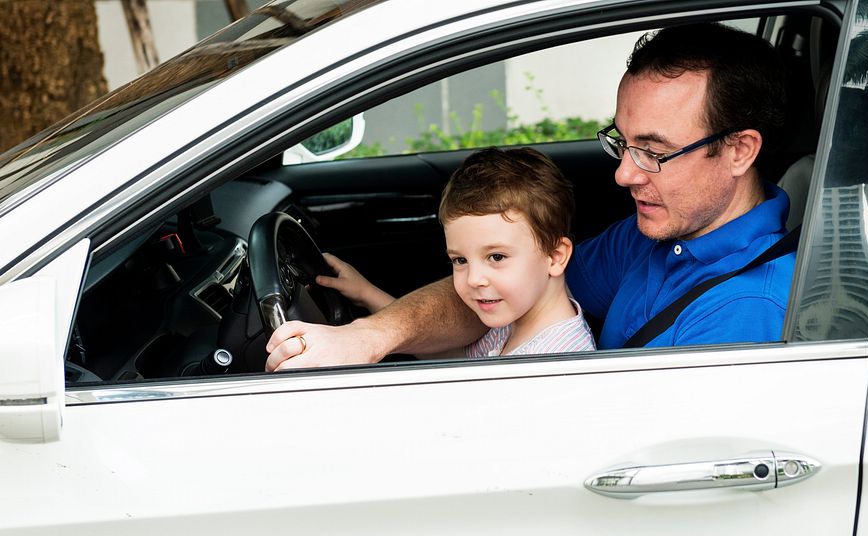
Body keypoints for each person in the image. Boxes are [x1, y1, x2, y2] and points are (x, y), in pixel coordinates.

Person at [264, 22, 793, 371]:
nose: (625, 176)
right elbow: (514, 291)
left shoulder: (744, 310)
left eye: (654, 151)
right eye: (622, 143)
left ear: (739, 150)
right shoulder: (654, 236)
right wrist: (369, 337)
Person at [311, 147, 594, 359]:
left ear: (555, 257)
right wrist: (366, 293)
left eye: (496, 257)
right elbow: (450, 365)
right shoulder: (511, 321)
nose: (474, 279)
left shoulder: (559, 362)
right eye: (460, 260)